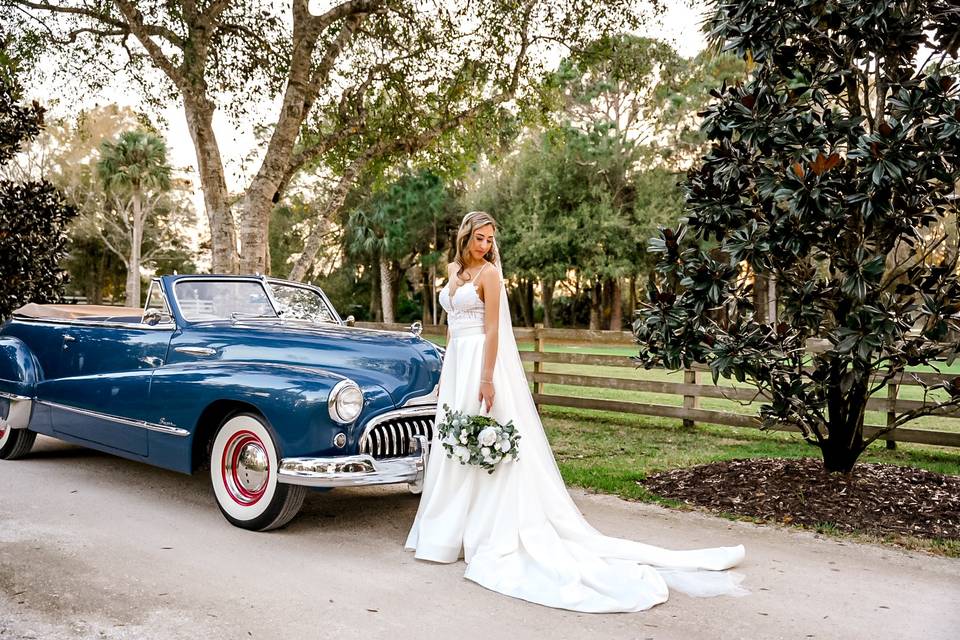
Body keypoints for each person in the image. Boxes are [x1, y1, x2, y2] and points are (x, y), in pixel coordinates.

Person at [405, 211, 746, 612]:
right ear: (464, 237)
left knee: (484, 441)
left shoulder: (492, 276)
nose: (485, 245)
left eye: (489, 239)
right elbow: (450, 325)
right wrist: (448, 373)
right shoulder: (453, 270)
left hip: (481, 359)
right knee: (454, 443)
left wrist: (487, 378)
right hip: (457, 362)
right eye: (479, 238)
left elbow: (495, 329)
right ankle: (447, 531)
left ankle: (481, 529)